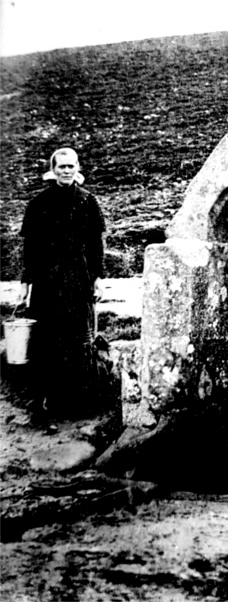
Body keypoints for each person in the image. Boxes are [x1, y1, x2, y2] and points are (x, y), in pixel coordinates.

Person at [19, 147, 106, 428]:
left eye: (71, 166)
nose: (66, 171)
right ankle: (42, 408)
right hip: (47, 282)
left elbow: (96, 245)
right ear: (52, 170)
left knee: (79, 340)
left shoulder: (87, 202)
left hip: (78, 281)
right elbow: (30, 248)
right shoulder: (38, 203)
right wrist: (25, 283)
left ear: (77, 168)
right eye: (61, 167)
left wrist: (98, 278)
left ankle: (76, 405)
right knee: (46, 342)